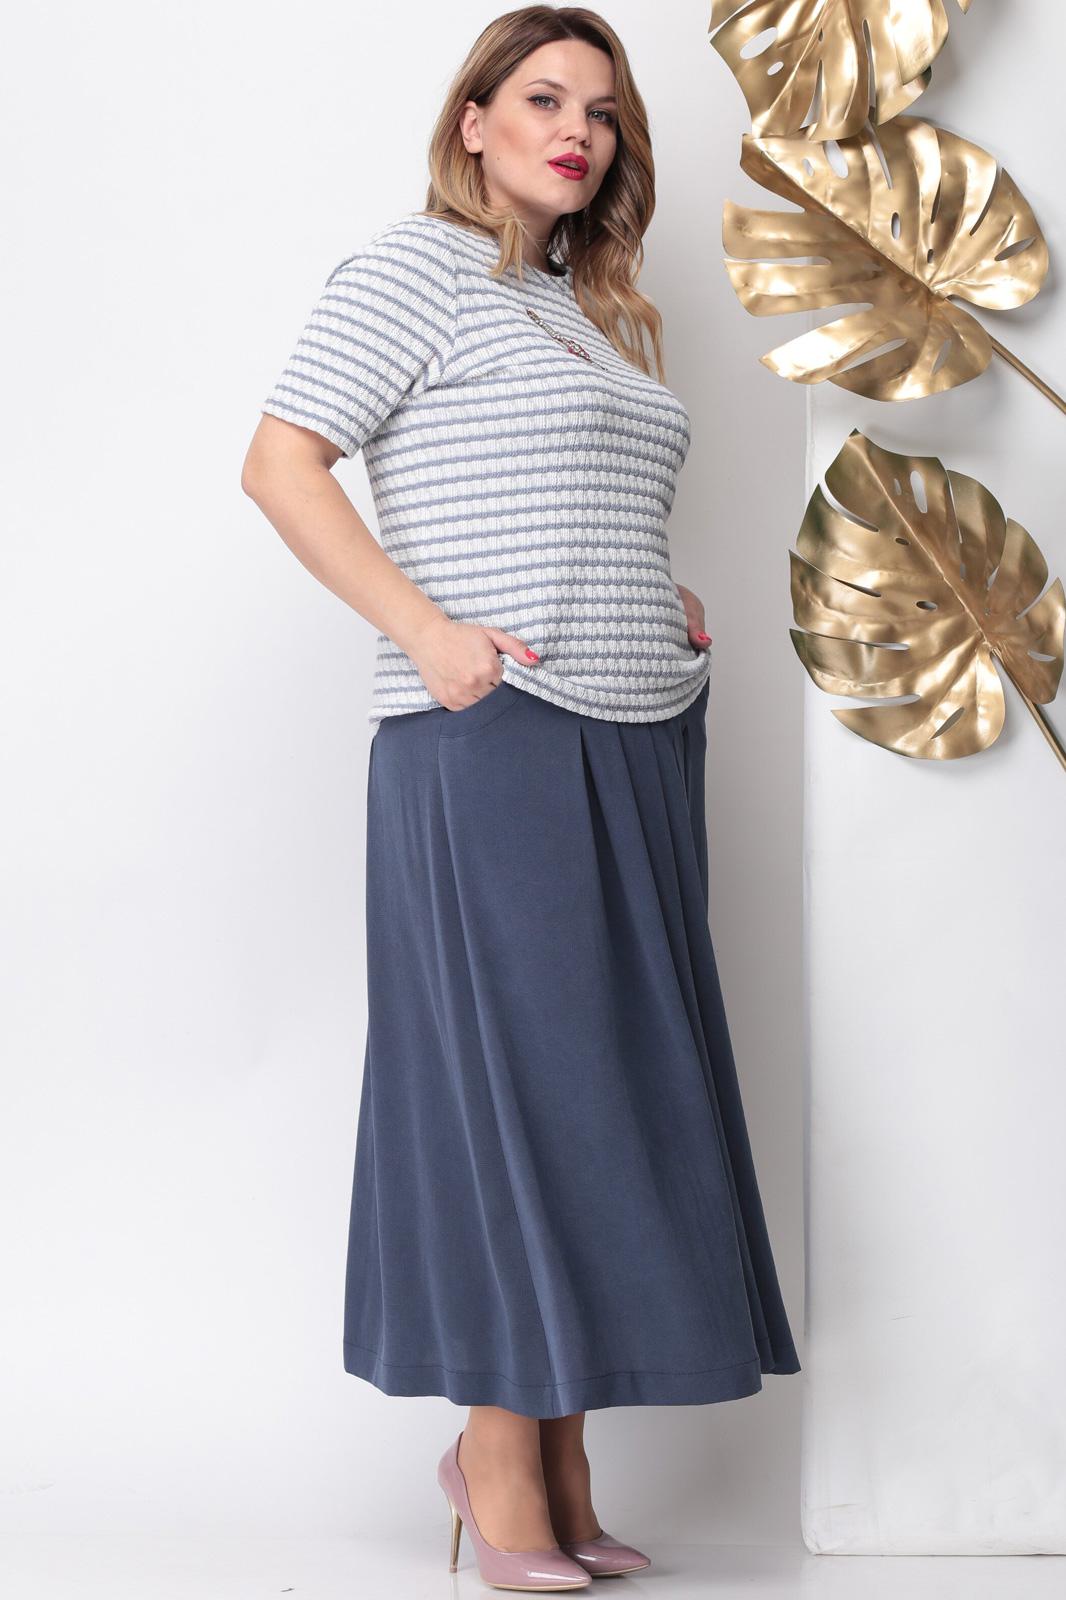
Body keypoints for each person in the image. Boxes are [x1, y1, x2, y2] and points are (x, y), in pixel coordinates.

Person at [242, 6, 800, 1591]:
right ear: (473, 121)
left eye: (602, 112)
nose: (577, 130)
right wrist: (428, 633)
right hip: (491, 737)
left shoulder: (594, 311)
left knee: (606, 1096)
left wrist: (654, 592)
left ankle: (559, 1456)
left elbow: (575, 494)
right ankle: (496, 1457)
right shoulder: (407, 272)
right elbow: (280, 463)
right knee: (517, 1092)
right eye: (543, 99)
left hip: (638, 730)